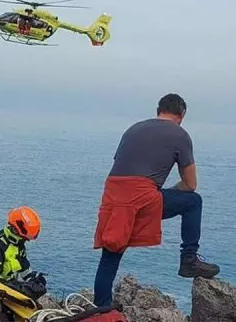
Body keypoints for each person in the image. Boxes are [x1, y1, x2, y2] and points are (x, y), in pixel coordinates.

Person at [92, 93, 220, 307]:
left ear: (158, 110)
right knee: (193, 202)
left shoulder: (132, 129)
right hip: (142, 197)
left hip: (113, 198)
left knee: (111, 254)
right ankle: (189, 259)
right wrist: (162, 193)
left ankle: (101, 309)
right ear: (182, 115)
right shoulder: (180, 134)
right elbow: (190, 185)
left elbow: (122, 168)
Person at [0, 206, 46, 296]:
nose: (26, 240)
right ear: (16, 230)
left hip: (6, 284)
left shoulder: (17, 243)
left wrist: (33, 279)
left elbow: (24, 268)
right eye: (24, 238)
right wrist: (20, 287)